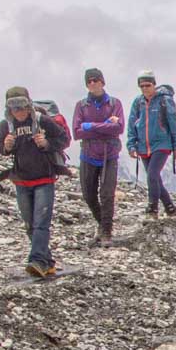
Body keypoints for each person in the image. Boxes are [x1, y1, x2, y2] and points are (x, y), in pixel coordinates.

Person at [0, 86, 72, 277]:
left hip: (44, 179)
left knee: (41, 223)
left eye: (22, 106)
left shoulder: (42, 121)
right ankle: (47, 262)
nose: (18, 111)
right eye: (14, 107)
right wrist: (5, 147)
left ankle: (36, 260)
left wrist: (46, 144)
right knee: (30, 224)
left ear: (29, 105)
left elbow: (64, 139)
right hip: (21, 181)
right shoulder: (6, 126)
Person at [71, 68, 125, 243]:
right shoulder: (81, 105)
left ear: (102, 81)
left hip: (109, 154)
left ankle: (106, 231)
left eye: (95, 80)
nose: (92, 84)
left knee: (107, 194)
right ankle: (102, 223)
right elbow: (77, 132)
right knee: (88, 194)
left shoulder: (115, 103)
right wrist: (104, 126)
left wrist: (90, 126)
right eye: (89, 82)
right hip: (88, 154)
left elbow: (119, 128)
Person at [126, 71, 176, 217]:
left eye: (148, 85)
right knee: (155, 178)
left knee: (152, 174)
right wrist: (131, 144)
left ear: (154, 84)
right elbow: (132, 124)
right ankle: (170, 207)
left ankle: (152, 208)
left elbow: (173, 123)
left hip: (162, 144)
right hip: (143, 145)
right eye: (142, 86)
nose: (145, 88)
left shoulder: (165, 100)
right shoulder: (138, 102)